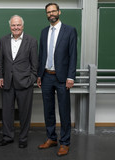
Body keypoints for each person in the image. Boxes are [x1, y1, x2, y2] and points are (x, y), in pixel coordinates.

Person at [37, 3, 77, 156]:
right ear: (46, 14)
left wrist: (70, 77)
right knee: (48, 110)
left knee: (64, 111)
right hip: (46, 76)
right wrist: (40, 75)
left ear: (59, 12)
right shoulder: (44, 32)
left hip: (62, 78)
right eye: (48, 12)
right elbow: (42, 55)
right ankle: (51, 138)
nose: (51, 14)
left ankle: (65, 142)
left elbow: (73, 54)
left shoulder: (69, 30)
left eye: (53, 11)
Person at [0, 15, 38, 148]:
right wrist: (0, 77)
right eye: (13, 25)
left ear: (22, 26)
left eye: (18, 25)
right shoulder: (3, 40)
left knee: (24, 112)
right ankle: (8, 136)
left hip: (25, 82)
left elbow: (34, 64)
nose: (16, 27)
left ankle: (23, 138)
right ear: (10, 26)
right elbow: (2, 61)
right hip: (7, 82)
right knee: (6, 112)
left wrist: (31, 79)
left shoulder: (31, 41)